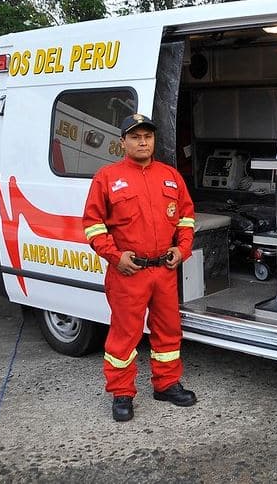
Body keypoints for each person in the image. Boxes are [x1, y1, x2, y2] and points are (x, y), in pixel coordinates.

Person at [82, 113, 197, 422]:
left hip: (164, 270)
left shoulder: (171, 175)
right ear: (122, 142)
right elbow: (92, 225)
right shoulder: (107, 178)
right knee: (125, 334)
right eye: (135, 136)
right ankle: (122, 393)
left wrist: (181, 249)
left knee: (168, 331)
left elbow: (186, 218)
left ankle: (167, 384)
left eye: (147, 136)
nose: (143, 141)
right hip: (128, 272)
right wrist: (114, 256)